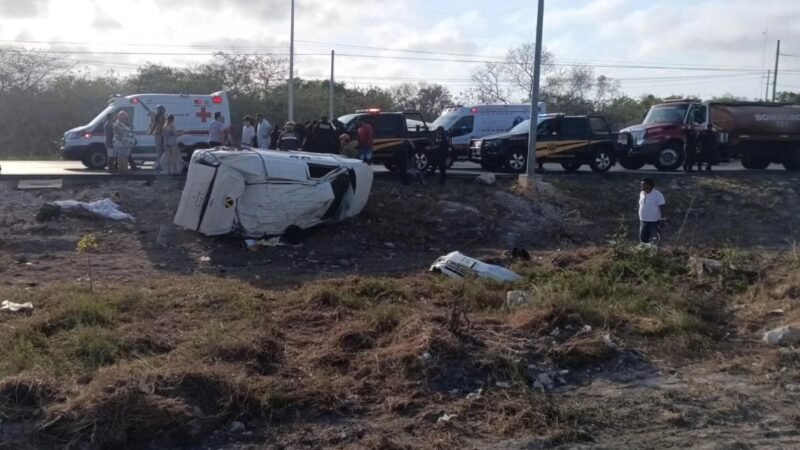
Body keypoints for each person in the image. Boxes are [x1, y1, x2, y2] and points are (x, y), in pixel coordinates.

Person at [638, 177, 666, 244]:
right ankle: (644, 251)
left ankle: (652, 252)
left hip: (653, 221)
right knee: (643, 238)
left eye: (643, 184)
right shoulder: (642, 193)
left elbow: (663, 207)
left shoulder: (658, 195)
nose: (641, 186)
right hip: (643, 220)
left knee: (652, 239)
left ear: (649, 185)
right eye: (641, 184)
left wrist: (662, 219)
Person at [149, 105, 167, 170]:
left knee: (159, 151)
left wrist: (150, 132)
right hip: (164, 135)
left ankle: (159, 165)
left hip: (158, 135)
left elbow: (154, 126)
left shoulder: (157, 117)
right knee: (163, 151)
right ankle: (162, 164)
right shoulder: (165, 116)